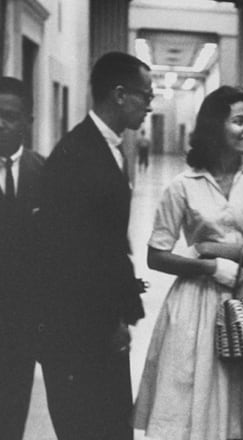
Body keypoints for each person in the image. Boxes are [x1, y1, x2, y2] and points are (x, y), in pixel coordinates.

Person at [133, 86, 243, 440]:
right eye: (239, 120)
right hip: (196, 306)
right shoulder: (182, 186)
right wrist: (207, 266)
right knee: (194, 398)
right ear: (215, 126)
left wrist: (209, 248)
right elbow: (156, 255)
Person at [35, 51, 150, 439]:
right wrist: (110, 323)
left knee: (112, 425)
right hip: (80, 334)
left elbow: (108, 240)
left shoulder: (105, 147)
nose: (149, 105)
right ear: (119, 94)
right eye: (145, 96)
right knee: (92, 426)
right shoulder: (77, 155)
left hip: (94, 327)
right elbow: (72, 258)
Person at [0, 76, 45, 440]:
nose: (0, 123)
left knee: (14, 409)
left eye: (9, 115)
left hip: (23, 324)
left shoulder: (45, 174)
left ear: (28, 121)